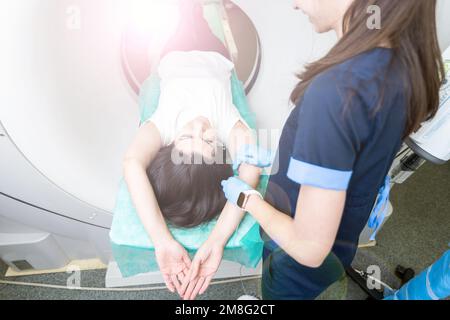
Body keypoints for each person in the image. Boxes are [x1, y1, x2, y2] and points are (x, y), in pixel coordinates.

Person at [216, 0, 445, 300]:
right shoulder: (400, 66)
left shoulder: (334, 94)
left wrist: (247, 198)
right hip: (340, 244)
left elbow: (309, 249)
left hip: (295, 264)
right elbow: (353, 157)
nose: (295, 3)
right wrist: (296, 157)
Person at [122, 0, 265, 298]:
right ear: (221, 153)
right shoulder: (229, 127)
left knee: (181, 19)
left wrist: (162, 240)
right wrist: (216, 240)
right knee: (202, 19)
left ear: (171, 146)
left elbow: (133, 163)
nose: (199, 127)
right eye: (210, 142)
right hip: (216, 56)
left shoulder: (163, 127)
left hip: (173, 55)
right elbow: (251, 172)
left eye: (188, 139)